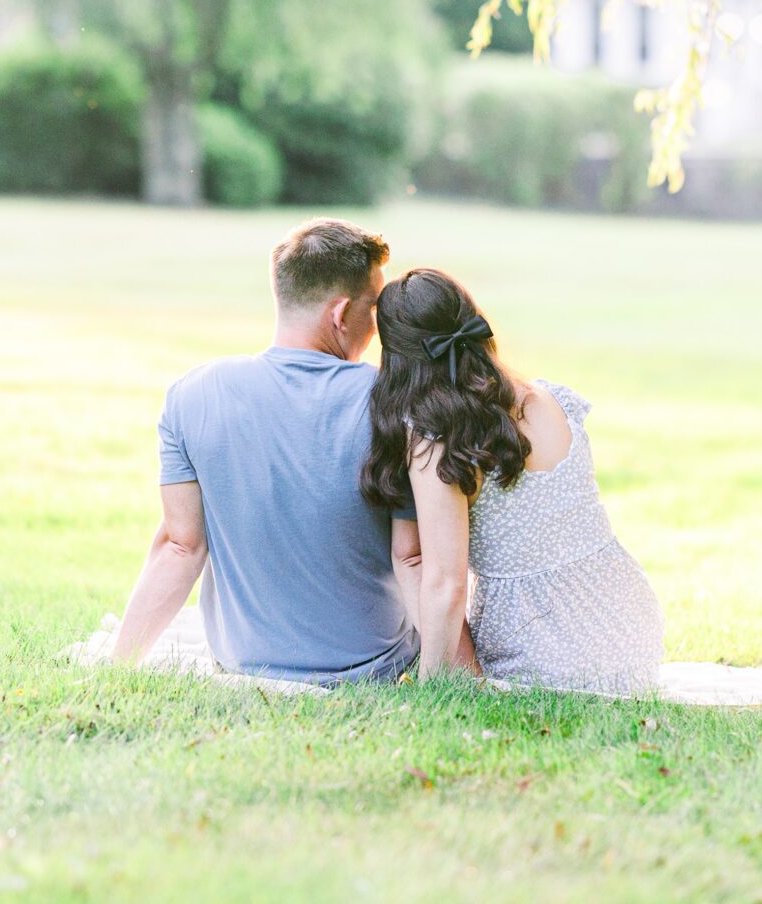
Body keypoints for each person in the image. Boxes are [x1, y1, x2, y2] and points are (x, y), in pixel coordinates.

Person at [106, 218, 422, 684]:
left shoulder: (192, 394)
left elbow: (180, 546)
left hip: (243, 663)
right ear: (341, 314)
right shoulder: (393, 401)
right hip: (374, 668)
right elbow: (415, 558)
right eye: (373, 309)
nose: (378, 326)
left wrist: (118, 665)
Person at [362, 266, 663, 695]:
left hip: (542, 642)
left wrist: (430, 685)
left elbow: (446, 582)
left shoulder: (440, 440)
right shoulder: (552, 398)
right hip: (626, 623)